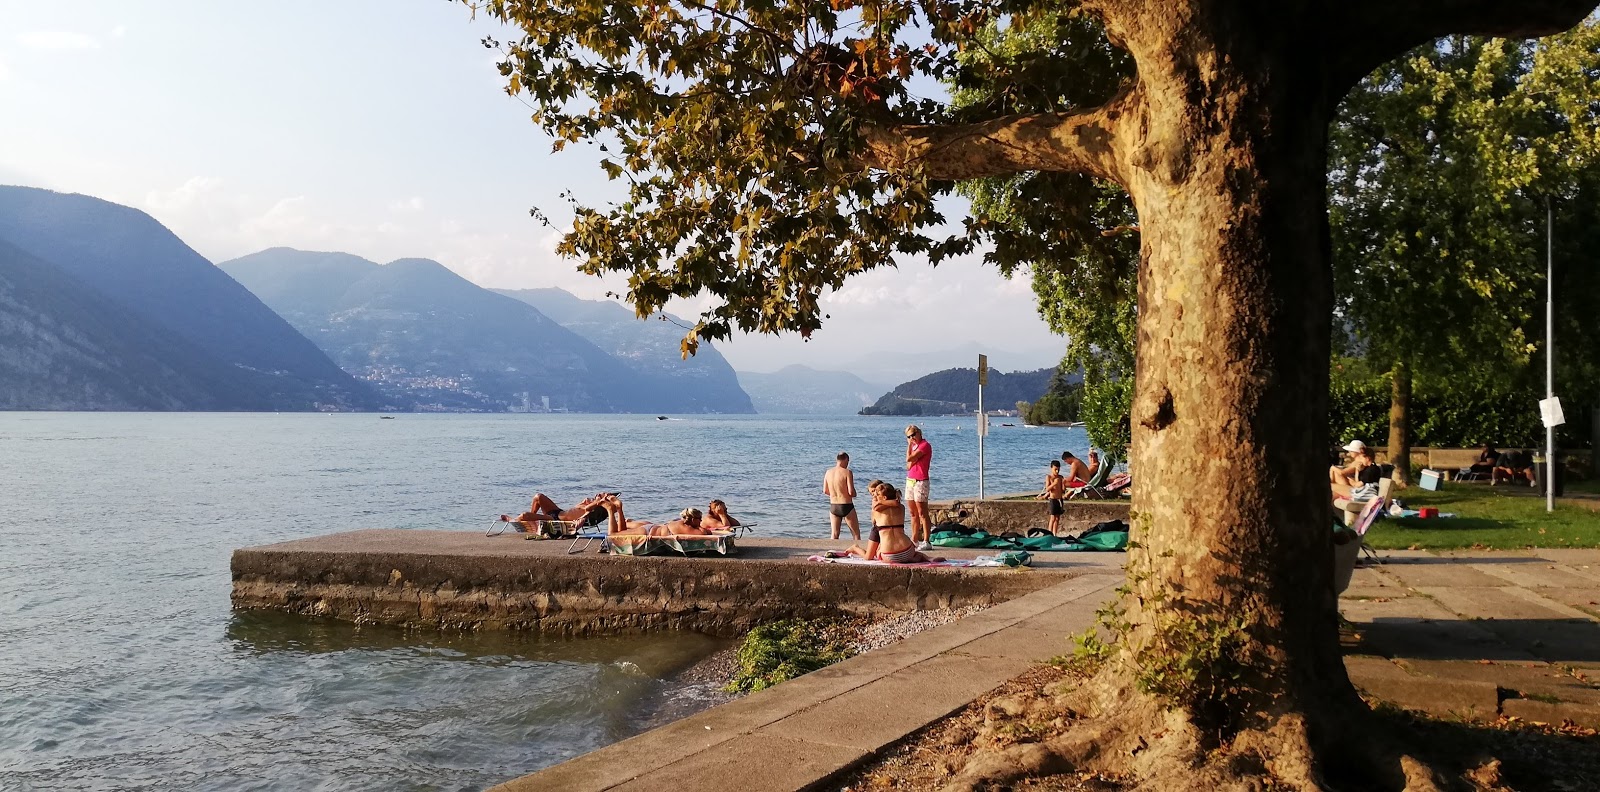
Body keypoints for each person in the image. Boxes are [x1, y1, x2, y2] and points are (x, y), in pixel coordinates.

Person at [846, 480, 939, 564]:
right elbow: (895, 504)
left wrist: (879, 503)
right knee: (916, 554)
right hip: (908, 550)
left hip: (889, 554)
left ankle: (855, 548)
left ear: (884, 497)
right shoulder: (901, 508)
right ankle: (924, 558)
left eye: (877, 495)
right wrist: (891, 502)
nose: (875, 497)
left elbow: (874, 521)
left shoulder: (876, 511)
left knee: (872, 554)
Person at [594, 494, 713, 537]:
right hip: (647, 532)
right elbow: (705, 533)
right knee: (614, 535)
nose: (701, 521)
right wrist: (700, 527)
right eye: (699, 519)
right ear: (692, 519)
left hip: (651, 528)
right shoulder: (686, 527)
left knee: (622, 531)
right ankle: (611, 510)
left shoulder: (682, 523)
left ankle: (619, 509)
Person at [501, 491, 608, 527]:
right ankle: (532, 520)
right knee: (538, 497)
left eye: (600, 495)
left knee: (524, 515)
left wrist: (598, 501)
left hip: (557, 520)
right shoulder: (589, 504)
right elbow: (574, 509)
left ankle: (513, 520)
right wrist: (582, 503)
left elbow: (589, 508)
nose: (597, 494)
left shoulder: (593, 507)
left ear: (602, 502)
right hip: (558, 512)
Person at [905, 425, 933, 550]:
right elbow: (908, 465)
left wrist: (910, 448)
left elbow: (909, 458)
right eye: (909, 437)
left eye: (913, 435)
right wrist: (911, 451)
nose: (912, 438)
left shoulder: (924, 445)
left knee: (922, 512)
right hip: (910, 479)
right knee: (912, 512)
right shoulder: (914, 446)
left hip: (921, 480)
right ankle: (914, 539)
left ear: (919, 433)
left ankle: (926, 540)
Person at [822, 452, 860, 541]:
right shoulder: (847, 472)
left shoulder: (828, 472)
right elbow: (851, 492)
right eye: (848, 461)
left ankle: (831, 552)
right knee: (856, 534)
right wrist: (855, 494)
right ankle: (858, 553)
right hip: (846, 505)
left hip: (834, 506)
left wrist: (835, 494)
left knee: (834, 534)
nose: (848, 464)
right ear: (846, 460)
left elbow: (825, 491)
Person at [1037, 460, 1068, 535]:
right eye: (1055, 469)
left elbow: (1063, 490)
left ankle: (1055, 533)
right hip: (1053, 499)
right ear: (1051, 468)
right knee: (1053, 517)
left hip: (1059, 499)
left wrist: (1064, 484)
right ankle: (1049, 533)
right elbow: (1047, 489)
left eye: (1058, 469)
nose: (1057, 471)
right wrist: (1054, 483)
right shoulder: (1049, 477)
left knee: (1057, 518)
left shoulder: (1060, 477)